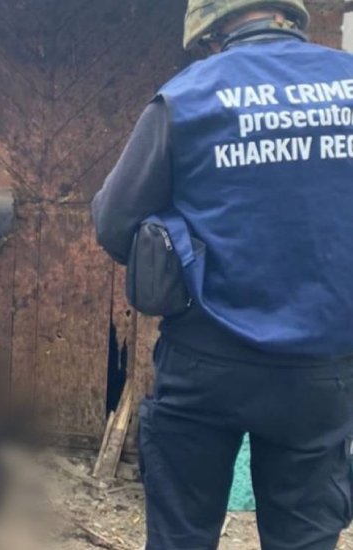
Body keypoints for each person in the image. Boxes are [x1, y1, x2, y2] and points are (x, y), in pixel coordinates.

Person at [93, 1, 353, 548]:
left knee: (182, 536)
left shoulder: (186, 96)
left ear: (212, 32)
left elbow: (114, 224)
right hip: (321, 370)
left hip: (204, 362)